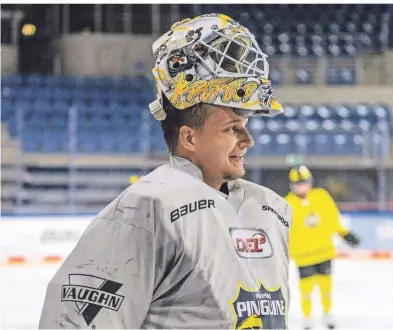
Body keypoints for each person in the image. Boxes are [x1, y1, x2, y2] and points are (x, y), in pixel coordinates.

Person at [39, 14, 292, 329]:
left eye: (246, 125)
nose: (248, 141)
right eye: (231, 128)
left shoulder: (271, 209)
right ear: (189, 137)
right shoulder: (147, 210)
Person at [284, 165, 360, 330]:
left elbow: (332, 219)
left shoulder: (321, 196)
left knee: (326, 287)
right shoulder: (286, 204)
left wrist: (345, 234)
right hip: (302, 256)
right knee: (306, 290)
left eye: (304, 182)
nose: (302, 186)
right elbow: (283, 231)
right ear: (292, 185)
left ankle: (327, 314)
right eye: (298, 183)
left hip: (324, 252)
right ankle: (307, 318)